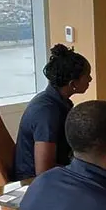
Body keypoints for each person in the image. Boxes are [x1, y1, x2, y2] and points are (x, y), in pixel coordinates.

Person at [12, 44, 92, 180]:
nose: (90, 79)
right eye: (87, 76)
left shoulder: (55, 100)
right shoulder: (47, 113)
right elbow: (44, 171)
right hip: (34, 183)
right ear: (73, 84)